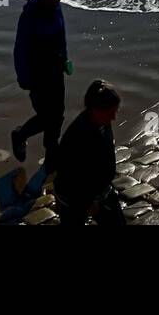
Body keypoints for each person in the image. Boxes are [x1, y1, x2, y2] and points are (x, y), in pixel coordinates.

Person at [11, 0, 70, 169]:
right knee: (47, 116)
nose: (58, 1)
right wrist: (23, 77)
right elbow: (20, 48)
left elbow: (61, 37)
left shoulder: (56, 9)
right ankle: (20, 135)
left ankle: (52, 152)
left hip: (55, 69)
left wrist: (65, 59)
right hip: (37, 73)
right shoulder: (30, 15)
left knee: (58, 113)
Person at [54, 80, 125, 226]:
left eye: (115, 112)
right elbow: (71, 178)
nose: (114, 118)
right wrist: (88, 203)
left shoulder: (103, 122)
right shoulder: (78, 137)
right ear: (95, 110)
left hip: (102, 191)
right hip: (73, 198)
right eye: (110, 113)